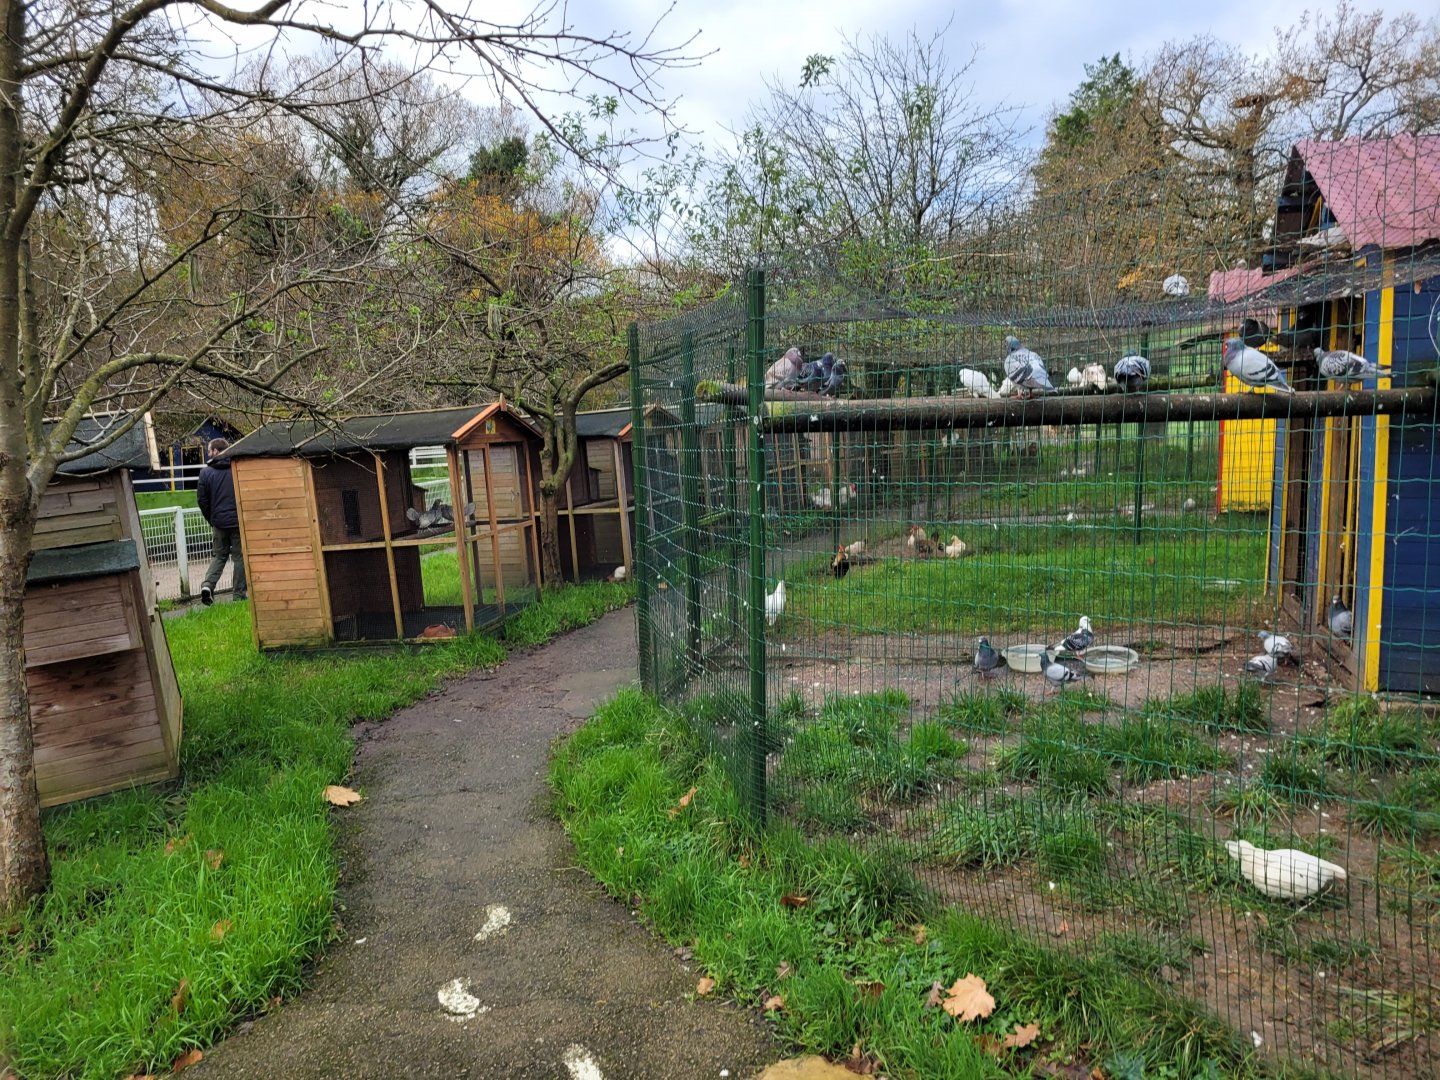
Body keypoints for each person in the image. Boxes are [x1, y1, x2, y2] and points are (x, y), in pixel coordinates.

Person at [196, 437, 246, 604]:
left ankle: (208, 585)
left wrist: (212, 519)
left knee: (219, 555)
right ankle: (238, 595)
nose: (208, 454)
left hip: (218, 523)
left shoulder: (205, 473)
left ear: (216, 451)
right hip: (238, 522)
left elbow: (202, 501)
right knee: (239, 557)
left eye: (209, 451)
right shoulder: (237, 468)